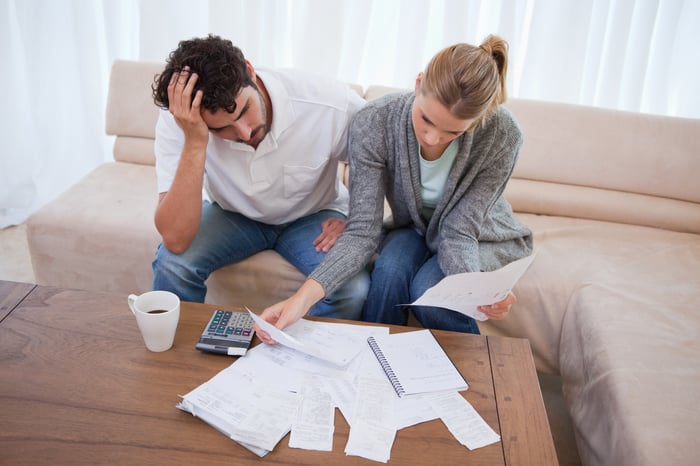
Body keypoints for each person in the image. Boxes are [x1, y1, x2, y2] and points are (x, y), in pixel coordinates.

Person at [257, 35, 533, 340]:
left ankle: (474, 378)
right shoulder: (374, 121)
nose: (431, 138)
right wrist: (300, 301)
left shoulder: (503, 134)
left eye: (452, 132)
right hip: (412, 228)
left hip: (476, 236)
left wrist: (474, 291)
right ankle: (374, 366)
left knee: (432, 295)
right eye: (425, 119)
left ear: (478, 119)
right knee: (388, 273)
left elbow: (459, 230)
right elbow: (363, 231)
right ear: (417, 84)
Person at [150, 34, 369, 319]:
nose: (244, 132)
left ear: (250, 71)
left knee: (351, 288)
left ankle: (313, 362)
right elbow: (175, 239)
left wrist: (356, 219)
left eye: (244, 110)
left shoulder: (330, 103)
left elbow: (382, 162)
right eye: (221, 129)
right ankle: (180, 361)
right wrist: (195, 141)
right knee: (172, 264)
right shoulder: (180, 119)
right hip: (233, 215)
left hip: (313, 215)